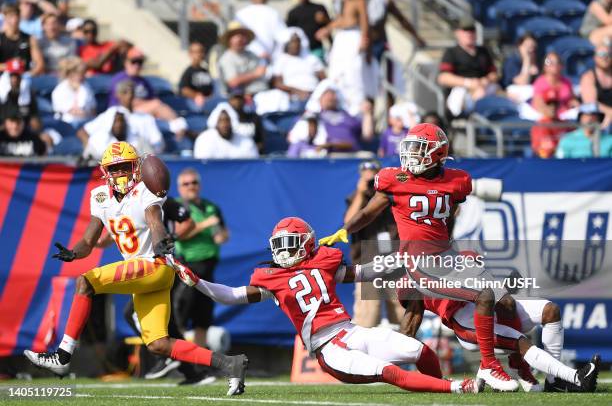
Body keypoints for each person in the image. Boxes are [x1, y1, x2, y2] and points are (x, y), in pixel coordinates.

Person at [23, 141, 248, 396]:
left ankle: (63, 356)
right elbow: (89, 240)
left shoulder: (146, 192)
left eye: (124, 167)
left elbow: (155, 221)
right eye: (115, 168)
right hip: (144, 275)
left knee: (85, 282)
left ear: (136, 168)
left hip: (153, 265)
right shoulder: (99, 196)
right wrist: (75, 253)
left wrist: (162, 240)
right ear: (105, 171)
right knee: (159, 344)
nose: (120, 173)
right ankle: (230, 364)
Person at [176, 216, 481, 394]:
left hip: (349, 331)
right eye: (279, 246)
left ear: (306, 244)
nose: (284, 252)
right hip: (328, 349)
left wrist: (398, 259)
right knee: (386, 371)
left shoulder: (323, 261)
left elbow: (362, 273)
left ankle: (439, 391)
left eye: (290, 244)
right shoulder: (273, 279)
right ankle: (455, 388)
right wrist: (198, 283)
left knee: (419, 350)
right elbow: (230, 295)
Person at [319, 123, 521, 392]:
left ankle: (513, 364)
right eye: (411, 147)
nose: (412, 154)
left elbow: (450, 213)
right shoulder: (394, 179)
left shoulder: (456, 181)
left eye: (419, 148)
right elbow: (368, 213)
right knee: (408, 309)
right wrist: (346, 229)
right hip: (408, 261)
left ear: (437, 154)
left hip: (438, 257)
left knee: (423, 309)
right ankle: (387, 371)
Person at [401, 293, 600, 393]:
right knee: (520, 342)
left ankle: (554, 381)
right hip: (467, 322)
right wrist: (395, 353)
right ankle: (575, 377)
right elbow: (411, 320)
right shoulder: (415, 270)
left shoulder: (456, 250)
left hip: (492, 305)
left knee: (551, 310)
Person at [120, 197, 216, 385]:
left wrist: (169, 238)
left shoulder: (159, 198)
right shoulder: (125, 201)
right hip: (142, 266)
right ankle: (194, 372)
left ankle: (163, 357)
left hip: (159, 266)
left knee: (133, 313)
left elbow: (187, 222)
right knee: (167, 323)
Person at [172, 168, 228, 349]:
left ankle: (200, 362)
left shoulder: (211, 207)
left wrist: (221, 236)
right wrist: (204, 224)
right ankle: (177, 360)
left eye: (194, 183)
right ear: (179, 188)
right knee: (180, 314)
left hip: (208, 267)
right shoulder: (177, 207)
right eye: (186, 184)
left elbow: (222, 233)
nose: (191, 187)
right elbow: (177, 235)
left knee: (202, 318)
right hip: (187, 267)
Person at [345, 160, 404, 328]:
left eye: (373, 170)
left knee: (403, 314)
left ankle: (405, 351)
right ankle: (364, 353)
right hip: (368, 263)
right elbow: (348, 222)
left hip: (395, 262)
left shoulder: (392, 195)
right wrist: (362, 192)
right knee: (367, 318)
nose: (369, 174)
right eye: (365, 170)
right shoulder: (356, 197)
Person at [316, 0, 377, 117]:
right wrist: (327, 29)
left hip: (354, 38)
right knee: (336, 75)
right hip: (342, 38)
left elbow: (365, 21)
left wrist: (364, 39)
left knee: (353, 76)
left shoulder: (359, 1)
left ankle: (358, 114)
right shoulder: (343, 1)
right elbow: (341, 19)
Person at [108, 48, 187, 138]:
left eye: (140, 62)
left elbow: (153, 100)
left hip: (144, 116)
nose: (137, 65)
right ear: (126, 62)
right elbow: (125, 102)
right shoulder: (119, 79)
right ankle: (178, 124)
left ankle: (177, 127)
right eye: (134, 61)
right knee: (156, 105)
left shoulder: (144, 81)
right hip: (122, 114)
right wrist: (148, 105)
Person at [78, 80, 164, 160]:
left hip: (139, 160)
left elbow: (157, 143)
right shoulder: (111, 114)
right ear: (118, 94)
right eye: (125, 92)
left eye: (132, 92)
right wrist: (89, 149)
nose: (129, 95)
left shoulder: (146, 118)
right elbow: (83, 132)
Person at [438, 16, 499, 117]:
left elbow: (494, 74)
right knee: (479, 93)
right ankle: (475, 119)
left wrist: (485, 80)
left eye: (472, 30)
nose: (469, 34)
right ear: (457, 33)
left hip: (483, 86)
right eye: (465, 30)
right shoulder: (452, 52)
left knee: (505, 93)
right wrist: (468, 83)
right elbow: (443, 78)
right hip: (460, 90)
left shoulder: (483, 51)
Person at [217, 21, 268, 98]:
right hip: (241, 98)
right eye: (236, 36)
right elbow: (232, 82)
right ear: (229, 39)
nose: (240, 39)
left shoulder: (252, 54)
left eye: (242, 35)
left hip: (262, 93)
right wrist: (255, 74)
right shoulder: (226, 58)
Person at [193, 103, 259, 159]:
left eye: (227, 120)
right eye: (220, 121)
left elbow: (252, 166)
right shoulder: (204, 140)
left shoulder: (246, 141)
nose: (224, 125)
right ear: (215, 123)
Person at [532, 52, 578, 121]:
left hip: (566, 117)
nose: (554, 65)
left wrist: (574, 104)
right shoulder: (540, 82)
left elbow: (572, 99)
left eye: (557, 62)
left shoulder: (567, 82)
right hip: (548, 119)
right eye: (549, 62)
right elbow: (538, 104)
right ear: (544, 66)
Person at [0, 3, 44, 75]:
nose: (14, 20)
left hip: (24, 76)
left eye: (17, 16)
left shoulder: (29, 38)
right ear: (5, 18)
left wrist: (29, 75)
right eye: (11, 16)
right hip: (3, 77)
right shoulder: (1, 38)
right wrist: (10, 66)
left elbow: (39, 64)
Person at [0, 57, 41, 133]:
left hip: (24, 131)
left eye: (17, 76)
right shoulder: (1, 94)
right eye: (12, 76)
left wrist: (34, 123)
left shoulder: (29, 93)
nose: (15, 80)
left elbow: (34, 119)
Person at [51, 56, 96, 125]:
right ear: (70, 74)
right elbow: (72, 111)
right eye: (81, 74)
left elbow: (93, 110)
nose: (84, 76)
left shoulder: (86, 87)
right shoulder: (59, 90)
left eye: (84, 73)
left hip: (86, 122)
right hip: (66, 124)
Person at [502, 33, 539, 107]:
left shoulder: (537, 60)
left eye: (533, 46)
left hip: (530, 89)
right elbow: (523, 82)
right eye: (527, 46)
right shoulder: (512, 61)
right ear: (520, 46)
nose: (531, 50)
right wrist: (527, 59)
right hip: (513, 90)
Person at [580, 44, 612, 126]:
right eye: (601, 54)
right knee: (588, 117)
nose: (605, 57)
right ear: (595, 58)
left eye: (608, 54)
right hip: (598, 120)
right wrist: (610, 112)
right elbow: (591, 104)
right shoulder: (589, 77)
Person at [179, 41, 214, 113]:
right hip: (193, 101)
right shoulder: (189, 72)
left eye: (201, 52)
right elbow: (184, 90)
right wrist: (196, 95)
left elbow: (210, 88)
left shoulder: (205, 71)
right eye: (196, 52)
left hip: (207, 101)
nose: (199, 55)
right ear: (190, 54)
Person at [530, 90, 567, 158]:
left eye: (555, 105)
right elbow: (544, 151)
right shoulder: (540, 125)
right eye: (549, 105)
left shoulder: (565, 124)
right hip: (547, 161)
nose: (553, 108)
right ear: (543, 106)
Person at [227, 87, 264, 152]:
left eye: (240, 98)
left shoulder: (254, 118)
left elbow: (260, 141)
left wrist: (252, 151)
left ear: (244, 100)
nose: (237, 101)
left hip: (250, 156)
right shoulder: (225, 120)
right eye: (234, 99)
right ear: (229, 101)